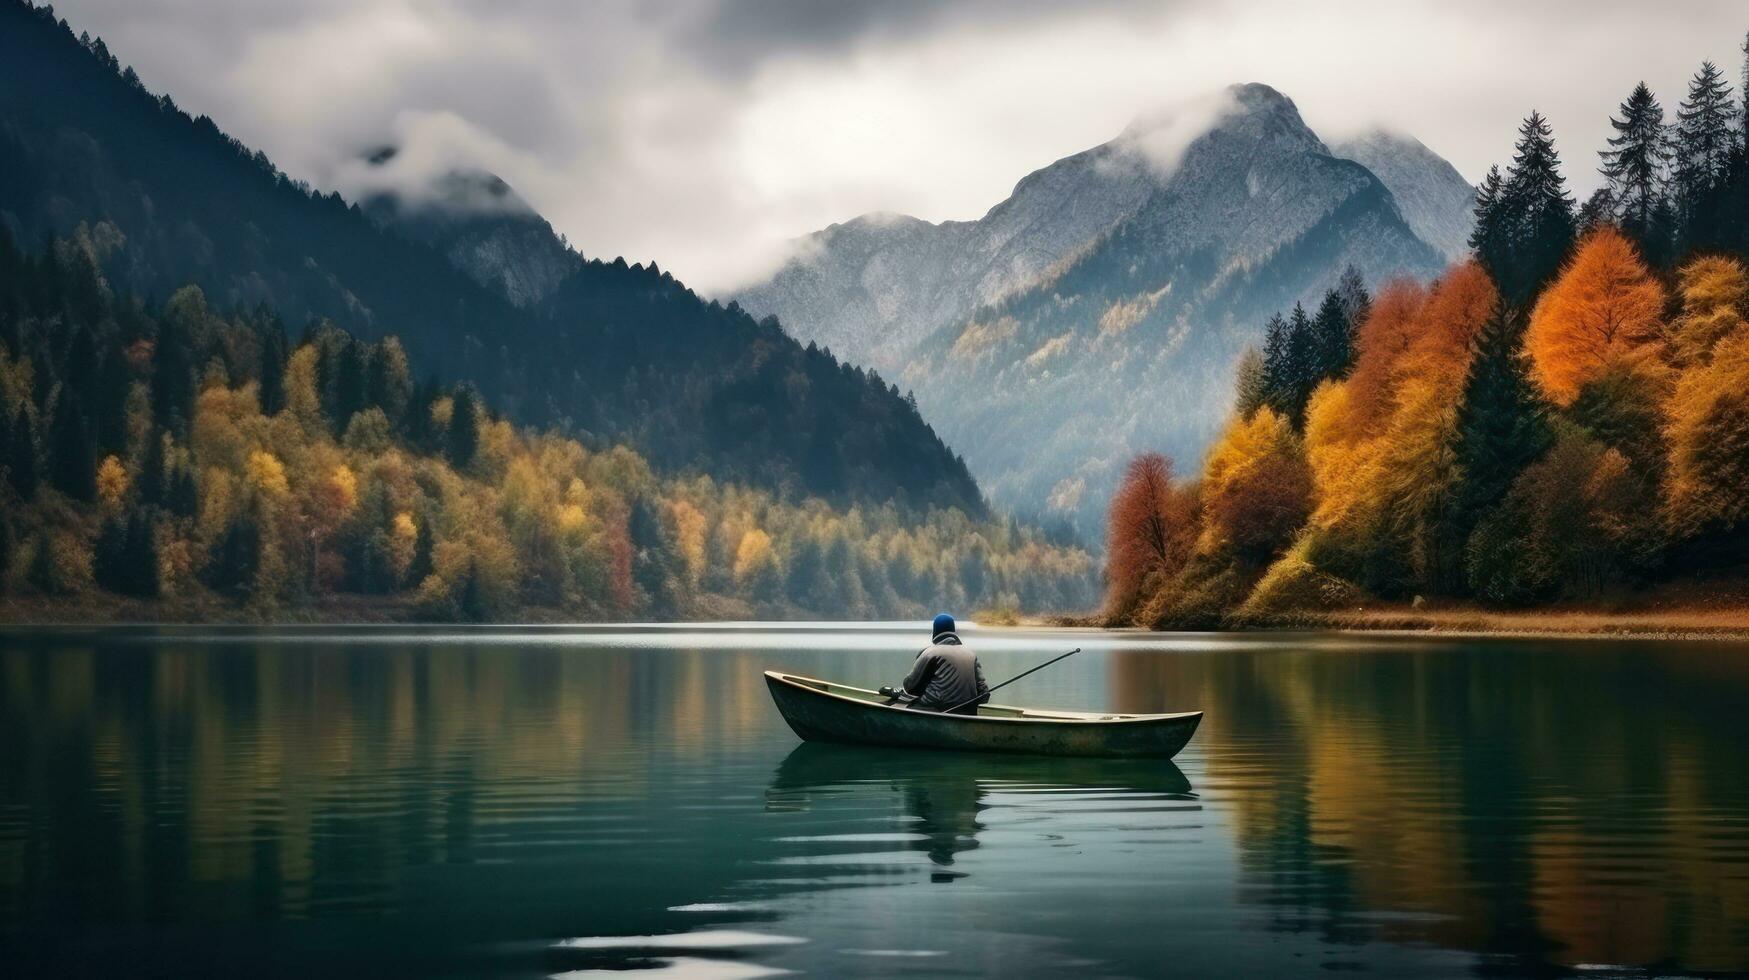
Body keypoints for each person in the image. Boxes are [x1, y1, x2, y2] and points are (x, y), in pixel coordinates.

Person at [881, 613, 989, 715]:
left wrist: (895, 692)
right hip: (969, 712)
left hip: (936, 709)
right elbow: (984, 695)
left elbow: (909, 686)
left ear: (935, 632)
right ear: (953, 632)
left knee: (895, 704)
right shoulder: (971, 655)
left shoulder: (930, 653)